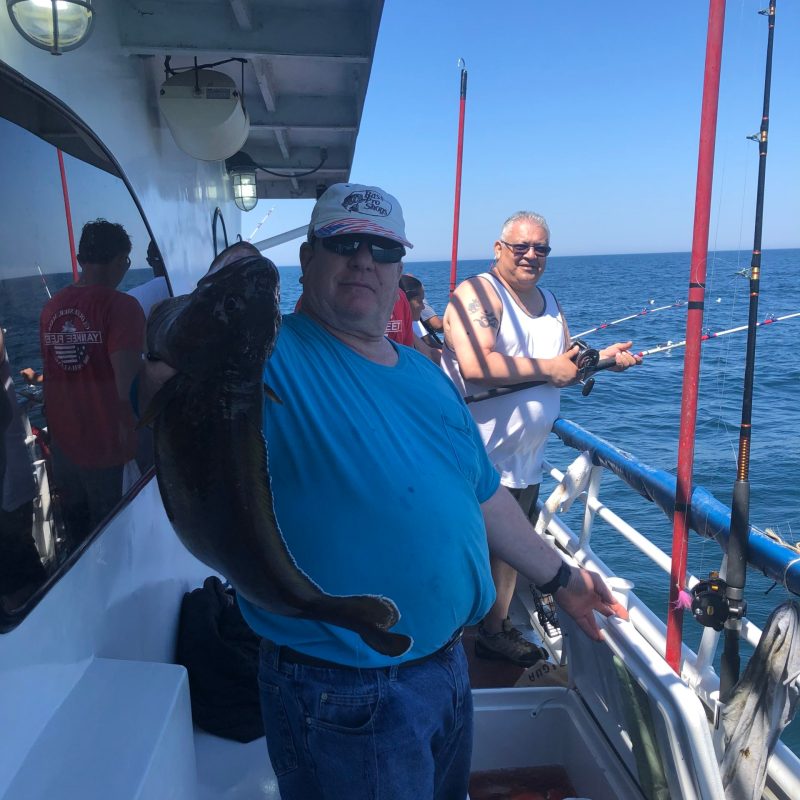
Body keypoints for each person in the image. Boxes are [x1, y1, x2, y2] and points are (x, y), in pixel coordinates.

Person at [141, 186, 627, 800]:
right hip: (339, 689)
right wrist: (193, 321)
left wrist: (563, 578)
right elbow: (164, 367)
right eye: (344, 243)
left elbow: (485, 499)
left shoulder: (423, 370)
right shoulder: (265, 353)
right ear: (309, 257)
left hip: (445, 670)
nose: (363, 260)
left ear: (399, 268)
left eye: (381, 248)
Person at [441, 211, 639, 667]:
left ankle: (495, 631)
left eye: (541, 248)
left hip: (525, 456)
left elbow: (562, 372)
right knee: (458, 551)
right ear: (498, 249)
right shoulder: (477, 294)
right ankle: (441, 640)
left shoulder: (549, 300)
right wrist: (551, 368)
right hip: (470, 457)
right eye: (521, 247)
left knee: (511, 553)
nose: (531, 255)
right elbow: (475, 367)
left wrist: (601, 361)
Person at [39, 219, 145, 543]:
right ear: (120, 261)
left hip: (66, 450)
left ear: (80, 258)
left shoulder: (51, 307)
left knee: (78, 538)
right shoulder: (122, 307)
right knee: (113, 541)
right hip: (108, 453)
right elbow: (129, 387)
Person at [399, 274, 441, 363]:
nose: (423, 307)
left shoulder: (406, 328)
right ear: (404, 300)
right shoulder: (402, 329)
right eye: (420, 301)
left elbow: (430, 353)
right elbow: (431, 354)